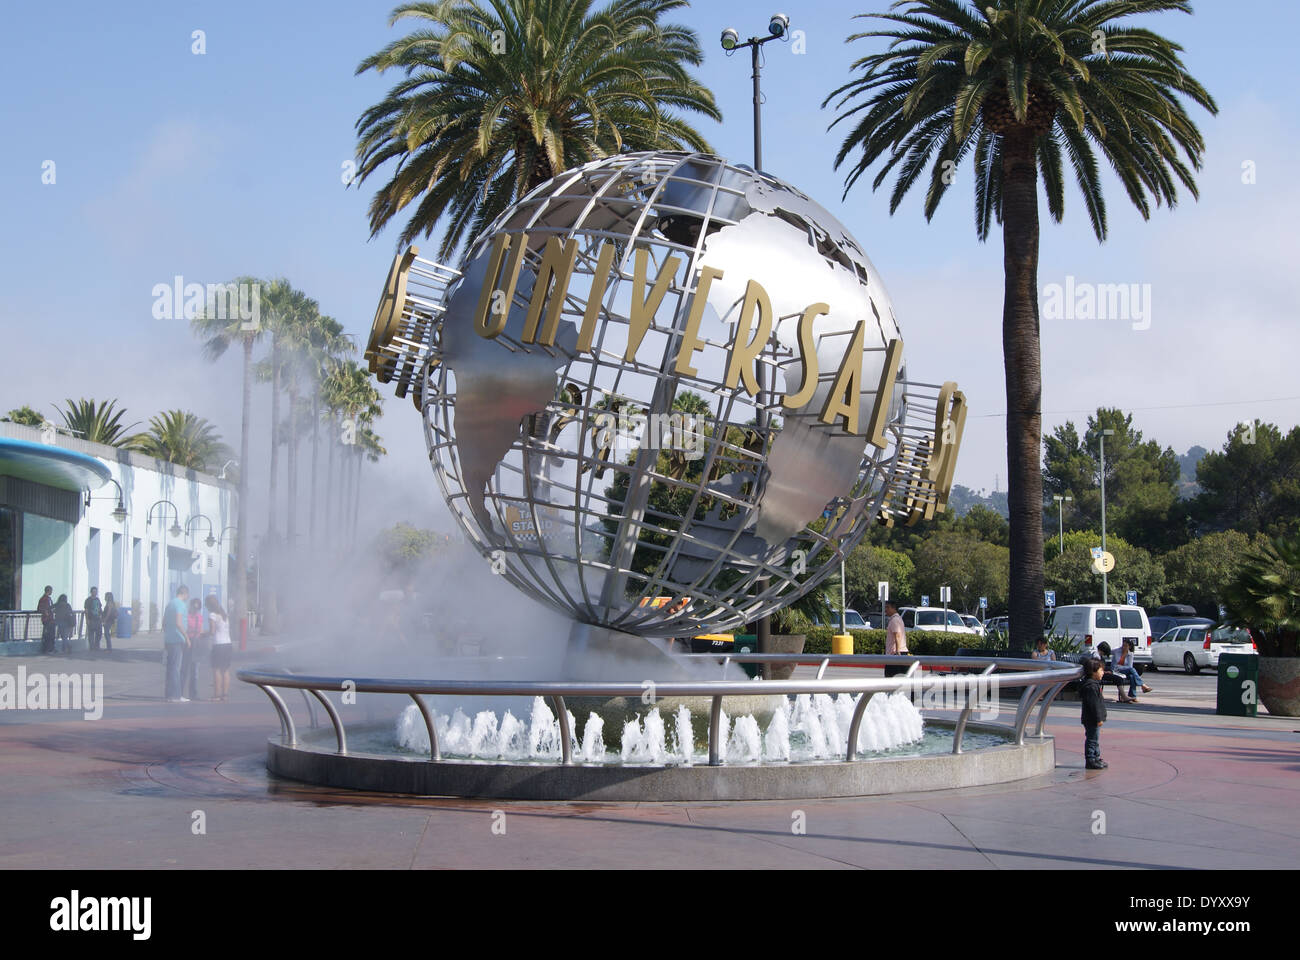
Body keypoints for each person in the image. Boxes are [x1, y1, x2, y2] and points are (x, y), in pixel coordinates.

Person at [163, 585, 191, 702]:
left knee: (170, 667)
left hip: (169, 639)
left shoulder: (170, 604)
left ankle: (169, 695)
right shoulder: (180, 604)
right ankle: (176, 695)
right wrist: (186, 637)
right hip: (178, 639)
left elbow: (164, 623)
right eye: (188, 595)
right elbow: (179, 623)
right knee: (176, 668)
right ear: (185, 593)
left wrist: (167, 635)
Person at [1080, 656, 1108, 770]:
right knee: (1092, 739)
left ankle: (1096, 757)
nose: (1103, 673)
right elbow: (1094, 705)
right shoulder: (1091, 686)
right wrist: (1098, 718)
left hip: (1091, 718)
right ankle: (1090, 759)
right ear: (1093, 672)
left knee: (1095, 739)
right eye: (1101, 670)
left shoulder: (1094, 684)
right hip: (1092, 719)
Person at [206, 594, 233, 701]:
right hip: (228, 644)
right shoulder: (224, 615)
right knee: (225, 670)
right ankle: (225, 694)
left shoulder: (212, 615)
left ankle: (217, 694)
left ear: (209, 605)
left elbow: (212, 631)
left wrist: (203, 633)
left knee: (216, 670)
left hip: (218, 645)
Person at [184, 597, 205, 701]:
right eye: (194, 606)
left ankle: (193, 693)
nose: (195, 609)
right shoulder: (186, 616)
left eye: (197, 607)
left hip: (196, 643)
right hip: (187, 642)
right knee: (184, 668)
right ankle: (180, 692)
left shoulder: (199, 617)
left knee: (195, 671)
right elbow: (184, 629)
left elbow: (201, 630)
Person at [883, 601, 909, 677]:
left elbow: (897, 635)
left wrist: (897, 652)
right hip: (898, 653)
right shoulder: (897, 619)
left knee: (890, 678)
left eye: (888, 607)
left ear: (893, 608)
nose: (886, 609)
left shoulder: (895, 620)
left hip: (895, 653)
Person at [38, 585, 56, 654]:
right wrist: (45, 612)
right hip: (47, 619)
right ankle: (47, 649)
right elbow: (40, 608)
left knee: (51, 634)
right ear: (49, 591)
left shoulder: (48, 599)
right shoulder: (44, 599)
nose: (52, 592)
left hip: (50, 619)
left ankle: (51, 648)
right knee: (48, 635)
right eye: (51, 591)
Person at [84, 587, 103, 651]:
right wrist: (87, 619)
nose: (95, 593)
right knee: (91, 633)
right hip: (91, 618)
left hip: (98, 618)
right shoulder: (88, 600)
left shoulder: (98, 599)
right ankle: (91, 647)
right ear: (91, 592)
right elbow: (86, 610)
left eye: (96, 591)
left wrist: (101, 616)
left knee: (99, 633)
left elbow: (100, 608)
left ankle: (96, 645)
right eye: (93, 591)